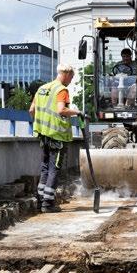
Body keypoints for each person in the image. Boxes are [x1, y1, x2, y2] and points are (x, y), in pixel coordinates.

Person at [29, 64, 81, 213]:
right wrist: (78, 112)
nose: (71, 81)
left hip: (43, 135)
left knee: (45, 168)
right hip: (57, 137)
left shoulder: (42, 89)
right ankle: (48, 204)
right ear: (66, 74)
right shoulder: (61, 90)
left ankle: (40, 202)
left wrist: (42, 124)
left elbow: (31, 110)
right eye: (71, 77)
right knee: (54, 169)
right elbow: (61, 110)